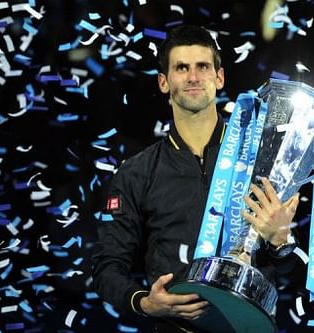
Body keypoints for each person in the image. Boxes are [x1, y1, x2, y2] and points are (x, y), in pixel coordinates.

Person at [92, 24, 300, 332]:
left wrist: (281, 240)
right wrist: (144, 302)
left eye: (202, 66)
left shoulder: (263, 161)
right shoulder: (137, 172)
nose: (193, 77)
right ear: (164, 82)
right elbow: (107, 266)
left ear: (219, 77)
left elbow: (296, 272)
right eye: (181, 68)